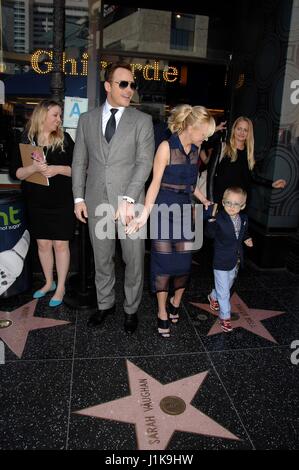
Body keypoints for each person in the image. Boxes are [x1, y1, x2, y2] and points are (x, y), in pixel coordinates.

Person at [72, 61, 155, 334]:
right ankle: (105, 304)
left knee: (133, 261)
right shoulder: (86, 120)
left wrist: (129, 199)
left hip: (129, 206)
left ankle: (131, 310)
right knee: (102, 259)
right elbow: (79, 161)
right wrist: (78, 198)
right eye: (123, 83)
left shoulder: (142, 121)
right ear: (108, 86)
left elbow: (144, 163)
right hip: (97, 201)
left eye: (132, 84)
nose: (129, 89)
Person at [126, 104, 215, 338]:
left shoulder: (195, 150)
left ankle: (177, 301)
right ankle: (162, 311)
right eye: (203, 132)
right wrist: (144, 214)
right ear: (191, 126)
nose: (205, 137)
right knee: (163, 266)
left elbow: (191, 185)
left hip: (185, 210)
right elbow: (154, 183)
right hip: (164, 209)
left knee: (184, 265)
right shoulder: (166, 147)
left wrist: (204, 200)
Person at [10, 99, 75, 307]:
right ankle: (49, 282)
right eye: (55, 115)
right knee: (43, 244)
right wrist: (34, 169)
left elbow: (78, 169)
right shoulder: (26, 140)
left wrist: (56, 169)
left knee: (60, 245)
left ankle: (61, 286)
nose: (59, 119)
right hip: (36, 202)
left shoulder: (65, 140)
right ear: (43, 115)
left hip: (62, 202)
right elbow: (16, 173)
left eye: (60, 115)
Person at [205, 187, 253, 332]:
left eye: (236, 204)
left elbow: (242, 233)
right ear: (223, 202)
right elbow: (210, 234)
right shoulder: (219, 218)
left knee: (228, 283)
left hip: (235, 260)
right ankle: (225, 317)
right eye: (228, 203)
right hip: (220, 261)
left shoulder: (244, 219)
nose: (231, 206)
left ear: (243, 205)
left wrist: (247, 238)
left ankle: (213, 296)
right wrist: (211, 219)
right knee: (225, 292)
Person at [211, 116, 286, 205]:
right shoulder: (223, 148)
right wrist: (213, 130)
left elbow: (254, 177)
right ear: (234, 129)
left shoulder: (249, 154)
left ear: (249, 133)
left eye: (245, 130)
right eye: (239, 128)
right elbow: (211, 175)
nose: (242, 132)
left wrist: (272, 184)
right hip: (221, 201)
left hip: (240, 203)